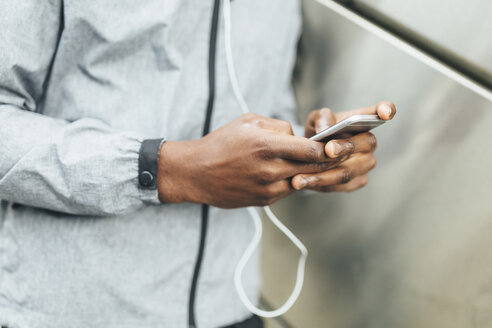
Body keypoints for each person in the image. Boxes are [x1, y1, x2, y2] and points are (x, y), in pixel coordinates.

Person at [0, 1, 395, 327]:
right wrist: (171, 169)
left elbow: (263, 108)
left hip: (231, 307)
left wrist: (307, 152)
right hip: (71, 313)